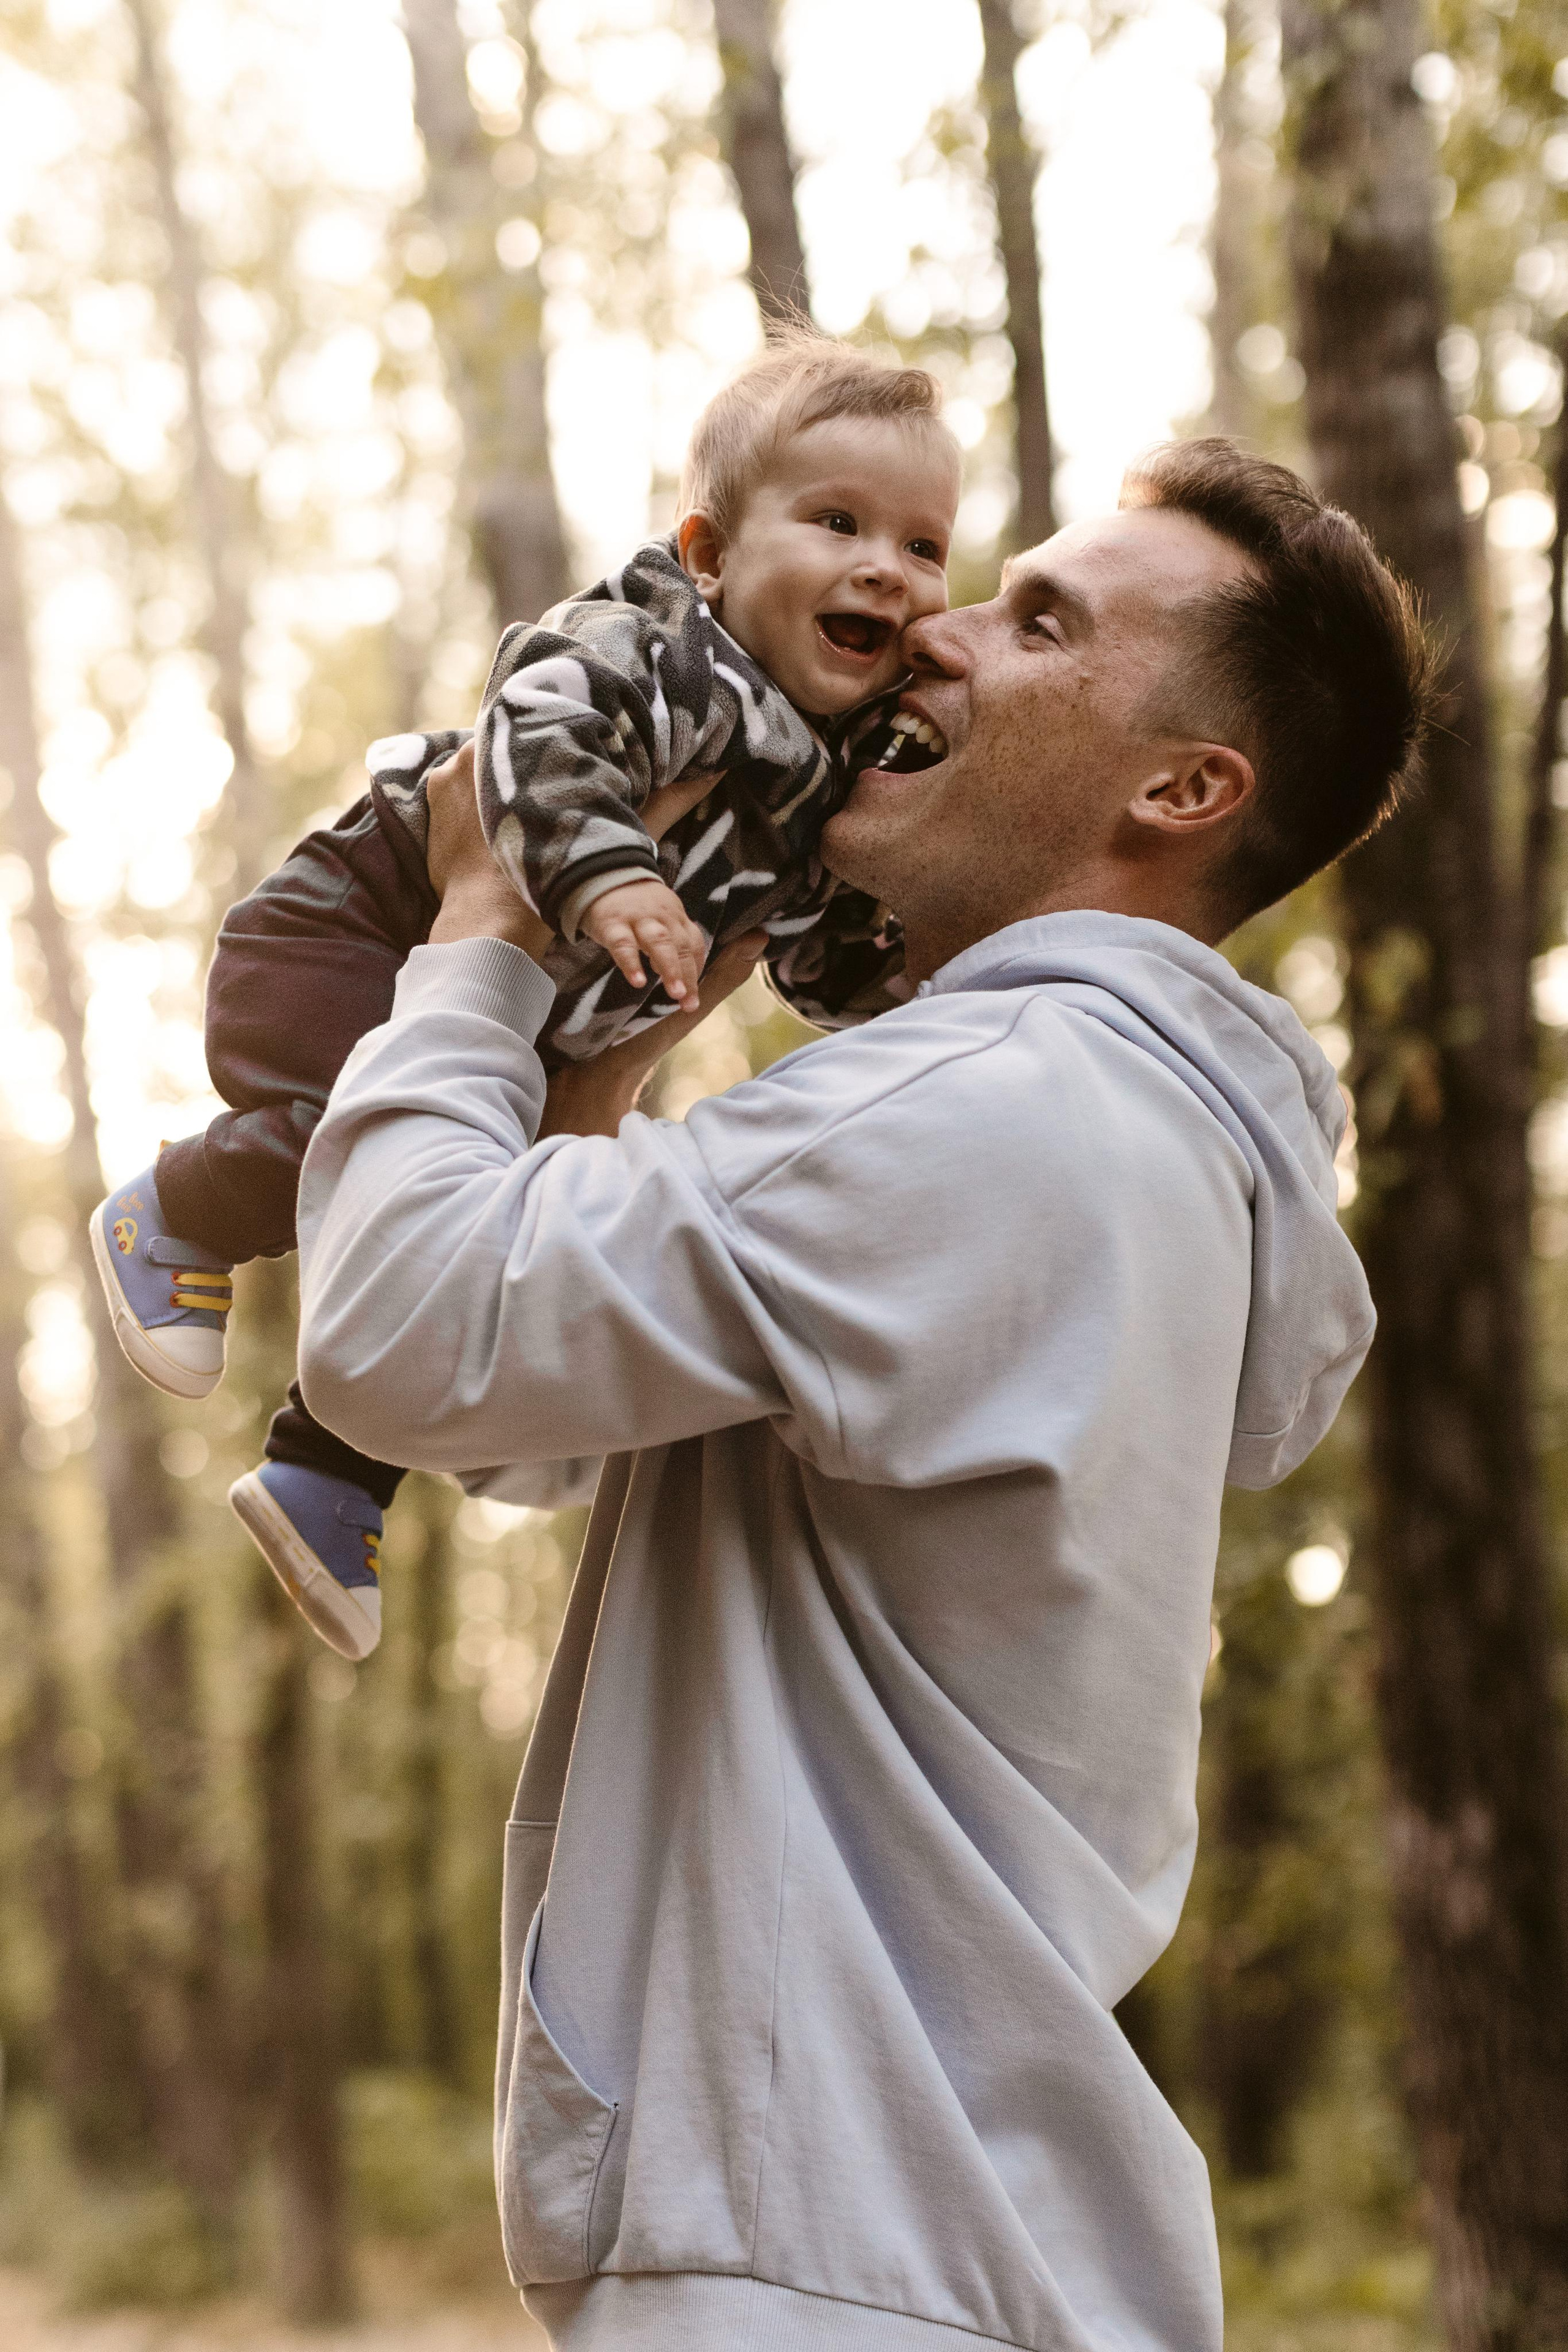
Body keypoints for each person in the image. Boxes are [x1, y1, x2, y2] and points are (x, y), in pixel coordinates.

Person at [295, 440, 1431, 2352]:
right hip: (918, 2245)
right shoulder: (1118, 1133)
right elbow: (532, 1425)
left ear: (1181, 789)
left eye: (1040, 621)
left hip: (817, 2247)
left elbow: (400, 1330)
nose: (934, 629)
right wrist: (616, 1059)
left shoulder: (986, 1106)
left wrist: (483, 927)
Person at [89, 333, 959, 1662]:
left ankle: (324, 1477)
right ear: (710, 553)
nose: (885, 568)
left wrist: (911, 987)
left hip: (509, 1027)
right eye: (837, 522)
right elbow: (539, 723)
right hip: (361, 924)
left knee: (454, 1228)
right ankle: (175, 1209)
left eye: (923, 545)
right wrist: (609, 873)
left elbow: (816, 951)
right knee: (355, 1137)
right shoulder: (666, 650)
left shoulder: (832, 781)